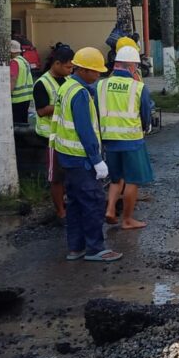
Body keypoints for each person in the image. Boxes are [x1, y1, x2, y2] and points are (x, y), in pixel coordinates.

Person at [51, 47, 121, 262]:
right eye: (95, 71)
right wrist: (97, 160)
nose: (98, 75)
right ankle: (95, 248)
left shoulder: (67, 87)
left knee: (74, 203)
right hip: (80, 158)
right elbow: (85, 130)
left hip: (67, 156)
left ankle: (76, 247)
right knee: (93, 201)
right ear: (82, 70)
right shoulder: (80, 93)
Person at [99, 46, 155, 230]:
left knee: (116, 179)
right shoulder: (138, 87)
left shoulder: (100, 85)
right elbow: (146, 113)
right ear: (132, 67)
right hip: (131, 141)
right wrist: (146, 127)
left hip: (108, 140)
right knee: (132, 180)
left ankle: (110, 209)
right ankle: (128, 219)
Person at [34, 45, 74, 222]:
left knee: (69, 174)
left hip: (66, 135)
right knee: (56, 177)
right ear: (57, 63)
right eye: (68, 67)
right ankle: (60, 211)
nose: (70, 70)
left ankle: (69, 204)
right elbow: (41, 111)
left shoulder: (68, 80)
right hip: (49, 137)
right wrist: (63, 105)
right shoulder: (42, 83)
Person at [9, 39, 33, 126]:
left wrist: (7, 94)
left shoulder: (14, 62)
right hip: (26, 97)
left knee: (17, 124)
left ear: (11, 51)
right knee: (23, 123)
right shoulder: (24, 61)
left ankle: (19, 140)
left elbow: (13, 79)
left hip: (17, 99)